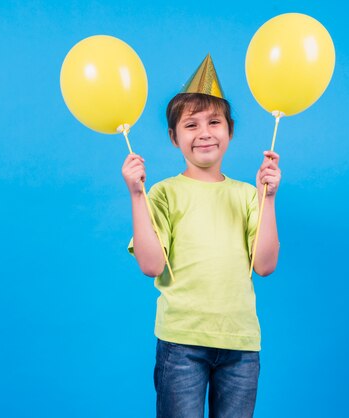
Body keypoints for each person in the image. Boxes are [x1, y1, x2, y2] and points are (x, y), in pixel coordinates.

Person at [122, 55, 281, 418]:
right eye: (190, 125)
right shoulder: (162, 193)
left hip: (240, 343)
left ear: (230, 131)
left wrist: (267, 199)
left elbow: (266, 264)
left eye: (214, 122)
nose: (205, 132)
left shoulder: (245, 194)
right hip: (182, 342)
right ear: (174, 138)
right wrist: (135, 195)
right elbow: (150, 265)